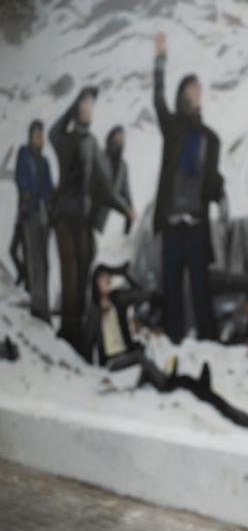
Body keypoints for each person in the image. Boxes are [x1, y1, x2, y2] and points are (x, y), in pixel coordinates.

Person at [48, 88, 136, 357]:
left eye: (90, 106)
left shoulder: (94, 144)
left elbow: (106, 189)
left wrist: (126, 210)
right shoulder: (64, 138)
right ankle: (68, 331)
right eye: (84, 106)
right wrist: (76, 102)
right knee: (71, 273)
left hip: (85, 219)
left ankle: (79, 334)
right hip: (64, 215)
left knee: (85, 273)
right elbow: (52, 132)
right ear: (76, 109)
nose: (88, 110)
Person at [151, 32, 226, 344]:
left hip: (196, 224)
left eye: (199, 90)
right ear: (183, 94)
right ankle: (173, 339)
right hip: (172, 224)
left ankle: (208, 341)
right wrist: (159, 60)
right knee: (171, 286)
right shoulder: (173, 129)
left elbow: (211, 180)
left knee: (200, 286)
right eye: (191, 89)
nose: (196, 94)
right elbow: (157, 100)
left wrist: (220, 194)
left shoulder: (210, 138)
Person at [14, 120, 53, 320]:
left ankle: (42, 305)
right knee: (34, 260)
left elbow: (48, 187)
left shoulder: (44, 161)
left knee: (44, 263)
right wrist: (28, 200)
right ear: (31, 136)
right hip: (29, 215)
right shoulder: (24, 155)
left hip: (43, 217)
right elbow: (22, 180)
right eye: (36, 134)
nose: (39, 137)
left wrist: (47, 205)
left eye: (41, 134)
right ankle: (37, 306)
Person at [92, 125, 134, 235]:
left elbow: (126, 193)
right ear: (111, 138)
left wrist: (129, 218)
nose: (120, 140)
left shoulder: (123, 167)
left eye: (122, 138)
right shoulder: (98, 158)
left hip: (101, 222)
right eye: (117, 137)